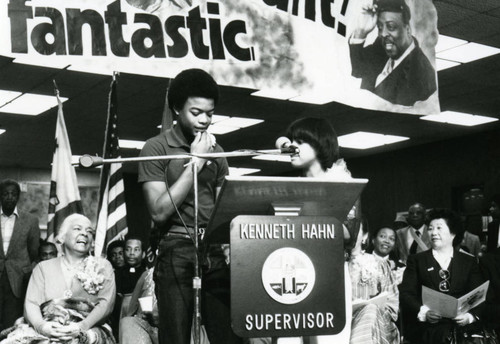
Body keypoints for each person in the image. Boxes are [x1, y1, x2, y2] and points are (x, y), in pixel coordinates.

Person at [138, 68, 238, 344]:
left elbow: (223, 211)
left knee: (229, 336)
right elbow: (159, 211)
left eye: (210, 113)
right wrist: (196, 163)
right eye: (196, 112)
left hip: (215, 253)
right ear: (176, 109)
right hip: (175, 250)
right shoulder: (155, 148)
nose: (205, 120)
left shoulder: (218, 153)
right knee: (176, 337)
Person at [0, 214, 115, 344]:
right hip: (48, 327)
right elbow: (31, 304)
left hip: (88, 328)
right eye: (77, 229)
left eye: (89, 231)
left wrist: (81, 327)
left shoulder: (103, 266)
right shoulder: (42, 268)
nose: (85, 234)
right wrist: (42, 327)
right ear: (62, 237)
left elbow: (106, 305)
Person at [399, 209, 485, 344]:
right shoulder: (416, 260)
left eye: (439, 228)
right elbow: (406, 294)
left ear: (453, 233)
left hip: (463, 329)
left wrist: (469, 317)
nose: (433, 233)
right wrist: (425, 312)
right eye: (430, 229)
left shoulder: (469, 262)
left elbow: (480, 294)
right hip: (428, 329)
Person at [349, 0, 437, 106]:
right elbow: (358, 70)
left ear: (408, 29)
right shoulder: (381, 47)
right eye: (380, 27)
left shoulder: (422, 75)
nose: (383, 34)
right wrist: (361, 32)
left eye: (391, 27)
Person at [0, 179, 40, 331]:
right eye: (5, 194)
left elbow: (34, 252)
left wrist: (26, 272)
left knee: (12, 322)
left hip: (17, 279)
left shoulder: (30, 220)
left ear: (18, 197)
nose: (9, 197)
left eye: (13, 194)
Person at [349, 225, 400, 344]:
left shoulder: (379, 264)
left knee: (370, 311)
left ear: (365, 236)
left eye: (355, 229)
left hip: (377, 321)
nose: (349, 234)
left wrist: (373, 312)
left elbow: (391, 305)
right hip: (343, 320)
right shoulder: (335, 263)